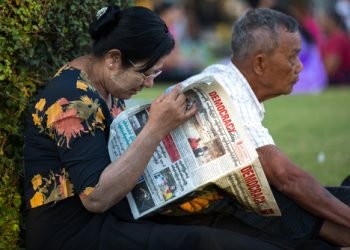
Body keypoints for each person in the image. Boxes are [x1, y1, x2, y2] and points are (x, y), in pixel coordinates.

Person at [23, 5, 291, 250]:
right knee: (202, 241)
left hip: (115, 214)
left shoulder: (108, 84)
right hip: (70, 232)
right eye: (145, 73)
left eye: (156, 74)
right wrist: (157, 128)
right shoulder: (70, 100)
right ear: (114, 59)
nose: (149, 83)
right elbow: (95, 197)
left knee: (220, 219)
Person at [178, 8, 350, 249]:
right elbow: (287, 178)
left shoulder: (218, 75)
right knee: (300, 201)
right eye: (292, 57)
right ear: (259, 63)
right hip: (198, 215)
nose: (299, 67)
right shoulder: (229, 89)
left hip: (210, 211)